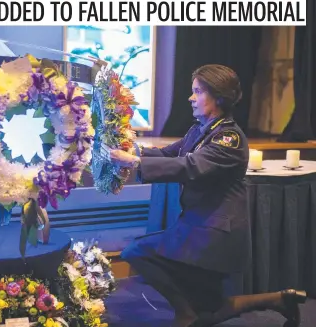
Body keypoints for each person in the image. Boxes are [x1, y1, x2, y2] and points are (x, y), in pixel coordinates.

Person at [108, 64, 307, 327]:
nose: (191, 98)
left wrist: (133, 163)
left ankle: (186, 313)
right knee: (213, 308)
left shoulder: (230, 138)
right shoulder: (201, 129)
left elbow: (190, 166)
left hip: (214, 236)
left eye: (197, 91)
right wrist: (132, 150)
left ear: (219, 96)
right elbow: (170, 155)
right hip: (199, 227)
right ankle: (281, 299)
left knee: (137, 251)